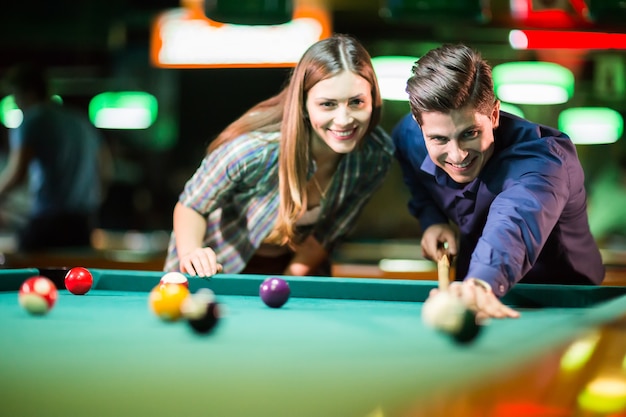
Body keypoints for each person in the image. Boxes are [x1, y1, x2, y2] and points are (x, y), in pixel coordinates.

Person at [392, 44, 605, 320]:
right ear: (420, 126)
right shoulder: (411, 136)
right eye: (439, 139)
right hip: (473, 290)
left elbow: (514, 223)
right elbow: (412, 166)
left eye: (470, 133)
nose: (457, 154)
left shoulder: (544, 161)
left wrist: (482, 282)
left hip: (564, 302)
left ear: (493, 115)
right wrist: (432, 219)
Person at [164, 34, 394, 277]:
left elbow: (327, 234)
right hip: (220, 265)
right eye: (327, 104)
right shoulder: (254, 149)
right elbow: (192, 205)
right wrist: (192, 253)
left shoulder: (376, 155)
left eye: (356, 102)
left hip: (297, 267)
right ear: (304, 105)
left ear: (373, 99)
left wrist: (288, 280)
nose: (344, 119)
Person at [0, 63, 109, 251]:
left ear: (26, 92)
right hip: (83, 224)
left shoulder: (32, 120)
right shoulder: (80, 120)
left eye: (15, 95)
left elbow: (17, 174)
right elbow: (106, 169)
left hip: (48, 227)